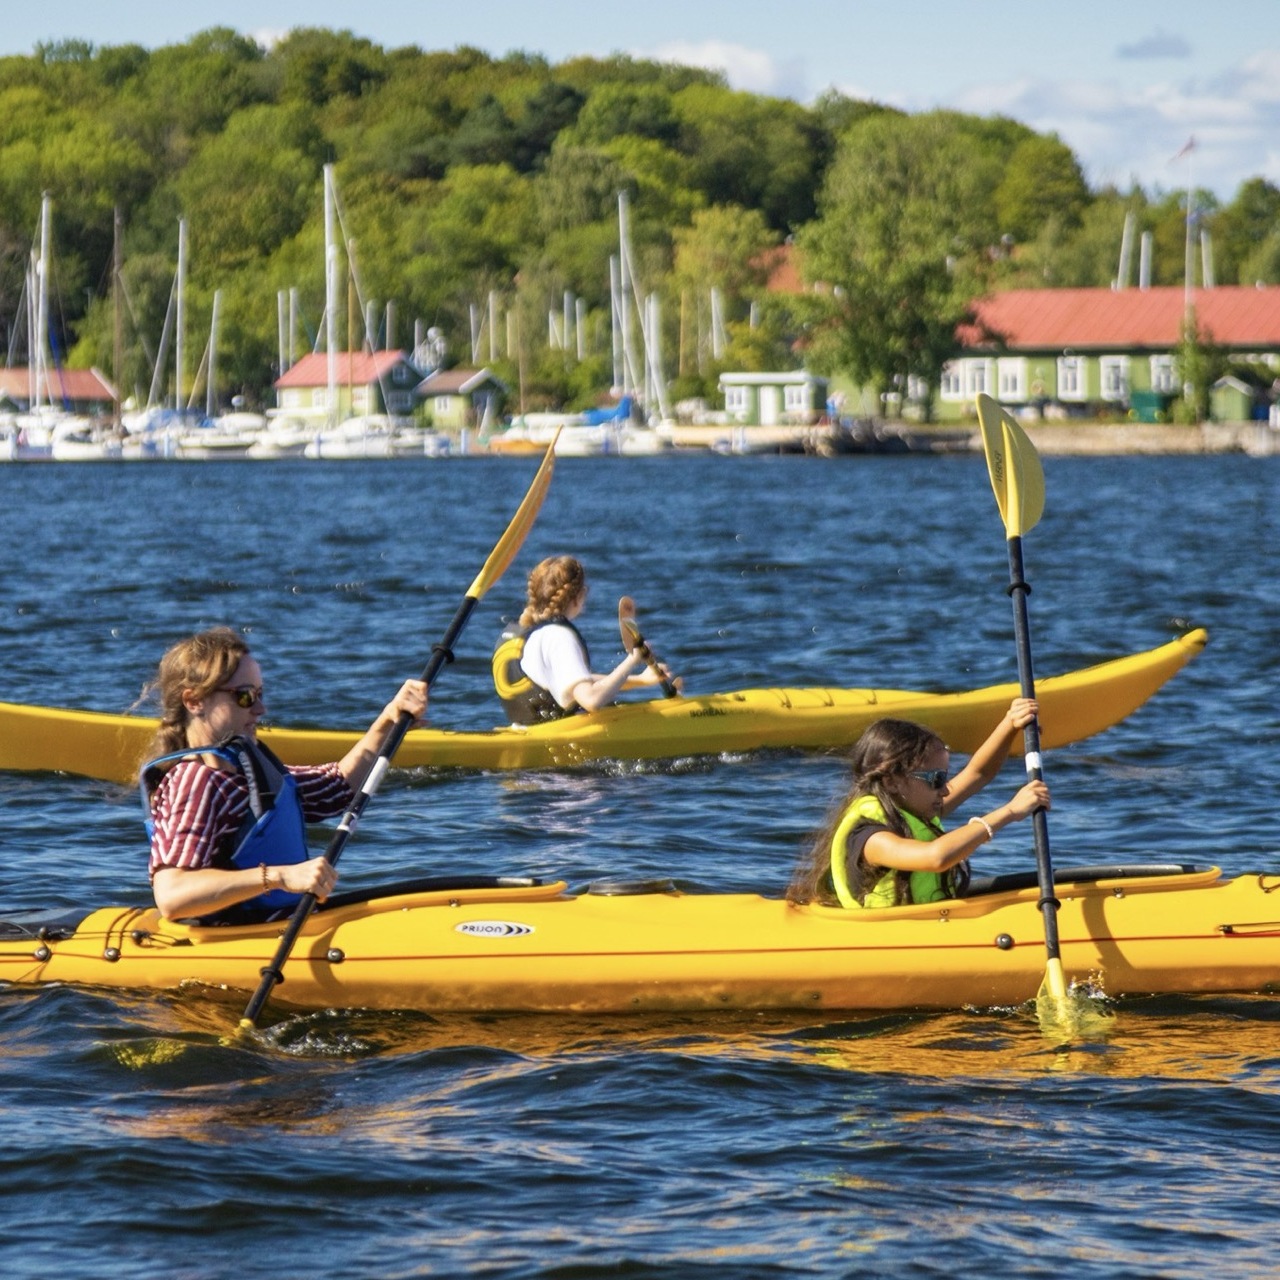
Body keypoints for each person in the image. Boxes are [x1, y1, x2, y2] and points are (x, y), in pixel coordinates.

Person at [139, 626, 427, 924]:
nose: (261, 708)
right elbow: (172, 894)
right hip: (238, 942)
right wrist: (280, 876)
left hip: (281, 925)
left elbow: (336, 788)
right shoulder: (195, 781)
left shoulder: (244, 769)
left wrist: (389, 720)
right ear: (194, 701)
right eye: (245, 697)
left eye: (260, 694)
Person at [788, 698, 1050, 909]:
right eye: (935, 779)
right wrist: (1010, 811)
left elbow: (977, 774)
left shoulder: (914, 807)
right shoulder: (870, 838)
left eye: (944, 777)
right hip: (888, 940)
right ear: (892, 782)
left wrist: (1010, 724)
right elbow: (935, 857)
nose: (945, 788)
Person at [492, 555, 678, 725]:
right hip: (562, 740)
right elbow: (591, 700)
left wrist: (640, 680)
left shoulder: (519, 632)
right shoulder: (558, 636)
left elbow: (572, 679)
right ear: (578, 596)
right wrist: (633, 660)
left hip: (524, 730)